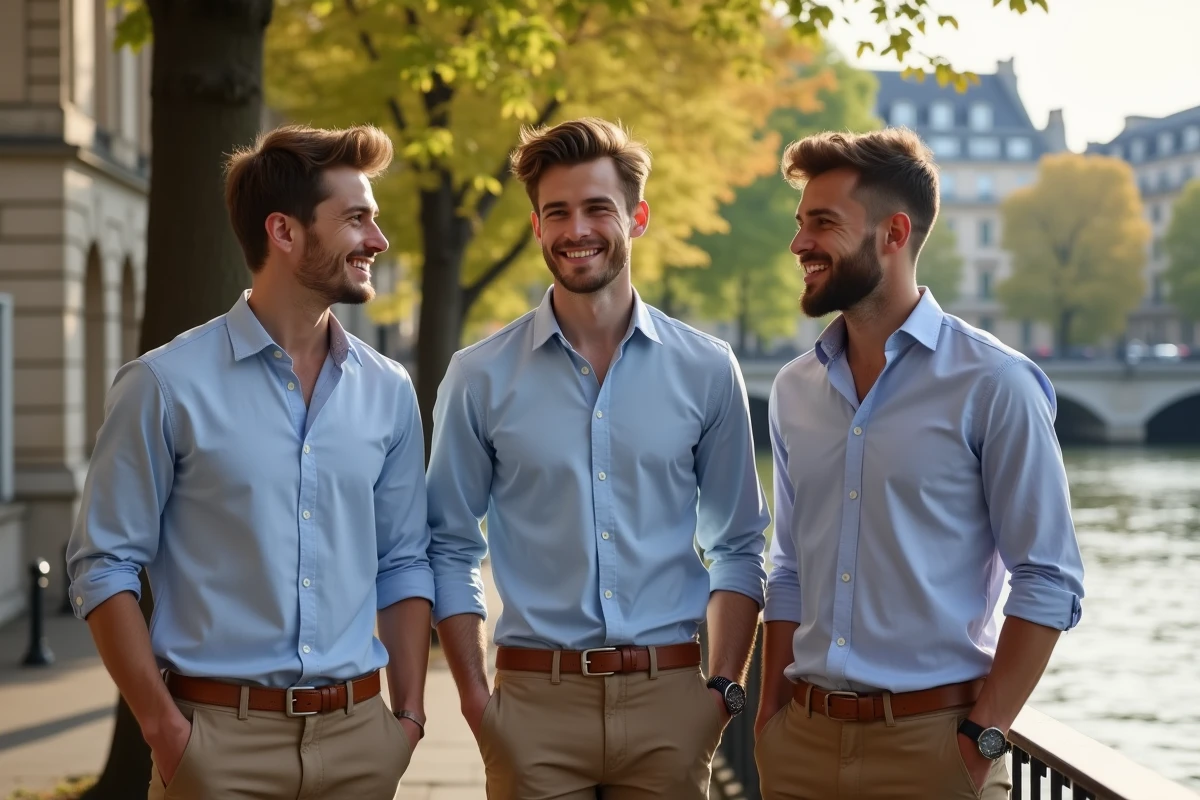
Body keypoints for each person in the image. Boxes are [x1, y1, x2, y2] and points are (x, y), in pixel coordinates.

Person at [65, 124, 432, 800]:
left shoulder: (390, 390)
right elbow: (102, 563)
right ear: (285, 233)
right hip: (216, 749)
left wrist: (406, 720)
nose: (377, 241)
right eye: (356, 220)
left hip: (360, 746)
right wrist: (166, 732)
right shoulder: (164, 384)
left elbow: (405, 558)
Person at [426, 117, 770, 799]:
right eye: (557, 212)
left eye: (596, 209)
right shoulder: (480, 375)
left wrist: (722, 692)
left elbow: (737, 545)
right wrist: (473, 700)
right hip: (533, 707)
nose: (576, 229)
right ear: (536, 227)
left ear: (636, 218)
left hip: (671, 703)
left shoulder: (707, 369)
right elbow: (448, 547)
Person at [754, 128, 1086, 800]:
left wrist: (980, 740)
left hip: (934, 752)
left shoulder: (995, 382)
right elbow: (787, 567)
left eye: (823, 223)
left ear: (893, 233)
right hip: (802, 750)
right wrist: (770, 719)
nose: (798, 245)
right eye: (800, 223)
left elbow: (1049, 578)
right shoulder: (794, 390)